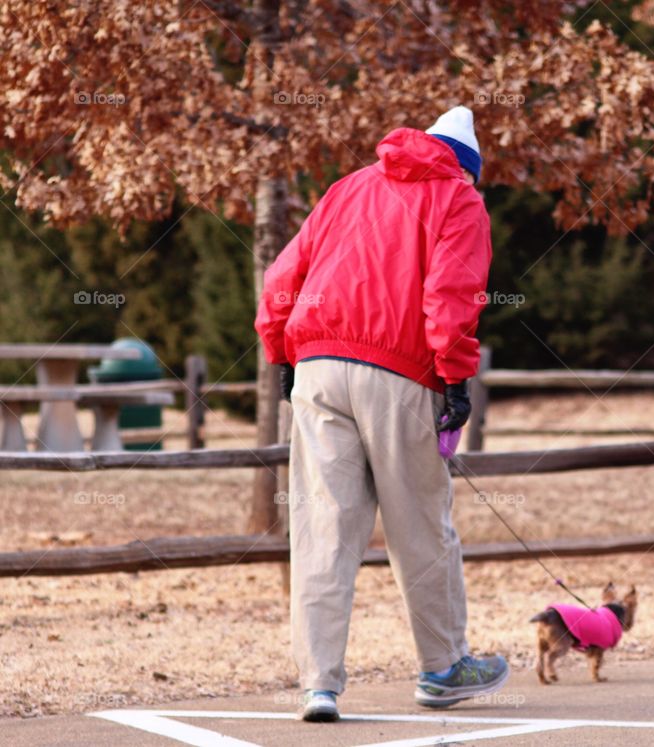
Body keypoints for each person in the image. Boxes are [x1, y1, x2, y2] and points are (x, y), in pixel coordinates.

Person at [254, 105, 509, 723]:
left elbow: (284, 275)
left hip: (316, 367)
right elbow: (450, 294)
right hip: (398, 371)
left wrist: (281, 349)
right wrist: (455, 377)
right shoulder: (460, 199)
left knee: (322, 528)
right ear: (467, 165)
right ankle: (444, 667)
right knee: (418, 523)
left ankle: (318, 685)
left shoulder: (350, 186)